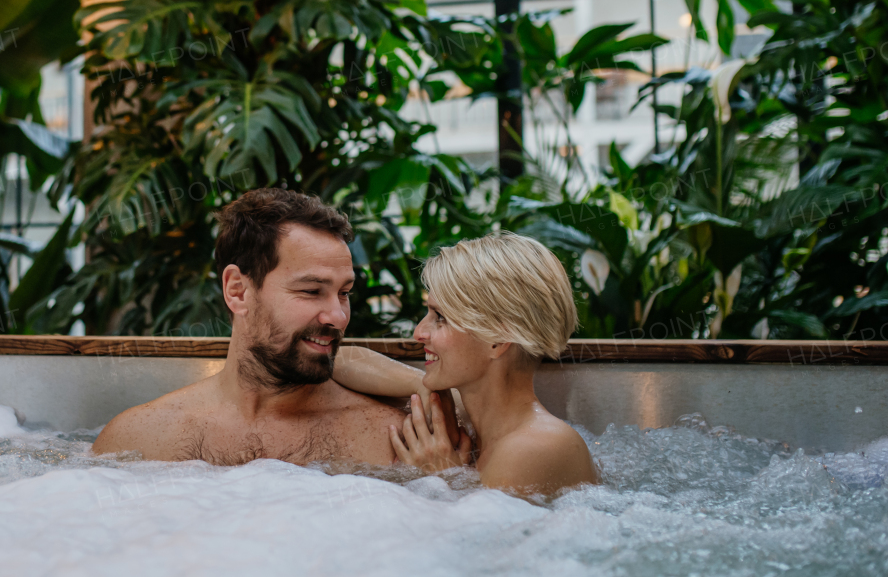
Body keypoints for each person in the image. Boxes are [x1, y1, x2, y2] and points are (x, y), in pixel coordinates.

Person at [91, 188, 404, 465]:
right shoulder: (140, 439)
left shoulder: (392, 440)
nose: (337, 316)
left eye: (344, 293)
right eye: (311, 291)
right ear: (238, 291)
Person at [331, 232, 598, 498]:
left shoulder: (535, 447)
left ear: (497, 339)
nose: (419, 332)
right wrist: (424, 387)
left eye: (441, 318)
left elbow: (470, 538)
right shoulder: (476, 417)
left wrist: (442, 480)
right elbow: (339, 360)